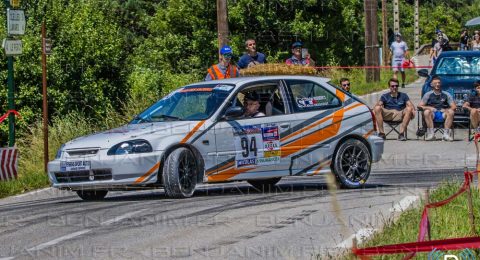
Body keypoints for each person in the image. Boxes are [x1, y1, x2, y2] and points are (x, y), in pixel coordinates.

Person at [418, 75, 456, 141]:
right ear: (431, 84)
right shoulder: (428, 94)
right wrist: (429, 108)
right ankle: (431, 134)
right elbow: (419, 106)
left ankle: (446, 135)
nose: (437, 84)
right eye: (435, 83)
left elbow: (454, 106)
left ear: (441, 84)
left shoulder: (446, 94)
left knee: (451, 112)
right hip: (432, 114)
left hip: (443, 114)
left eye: (439, 83)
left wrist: (446, 110)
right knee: (426, 112)